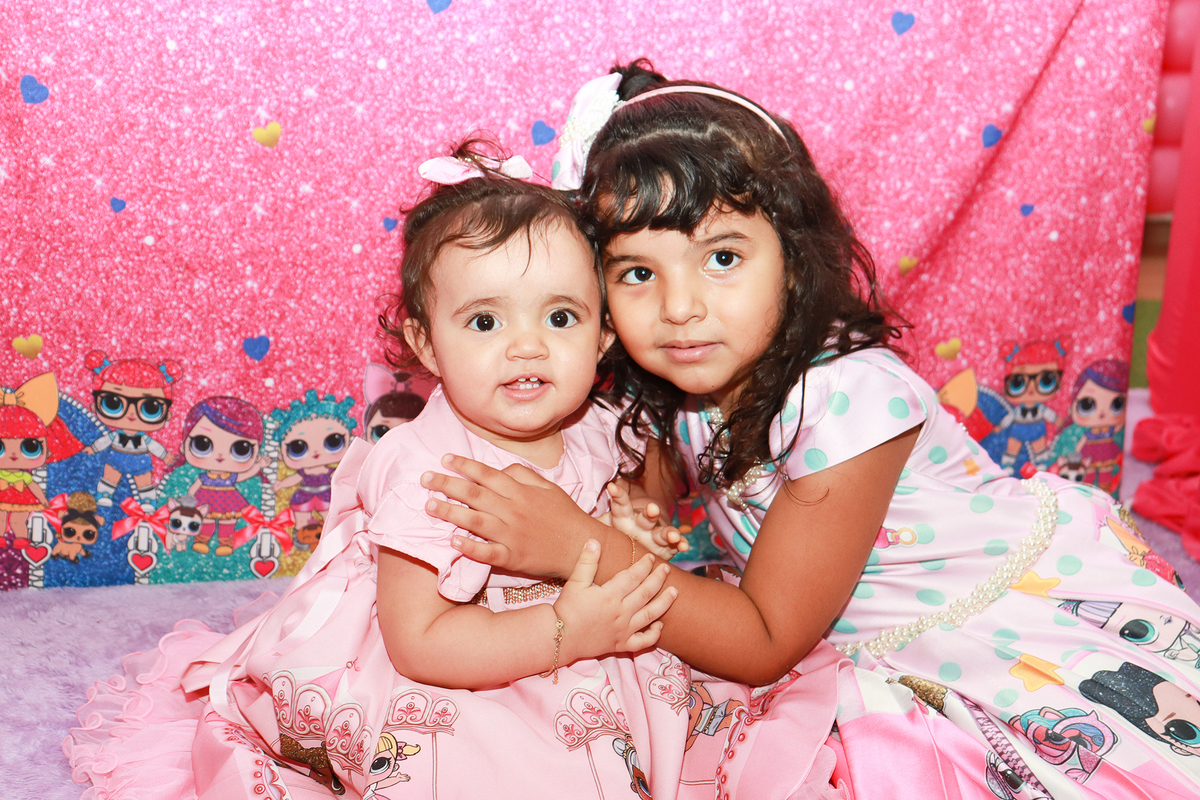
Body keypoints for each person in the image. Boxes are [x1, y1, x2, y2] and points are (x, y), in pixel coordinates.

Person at [421, 62, 1200, 798]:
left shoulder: (851, 401)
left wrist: (575, 544)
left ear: (793, 259)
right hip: (806, 620)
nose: (680, 307)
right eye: (637, 273)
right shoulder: (674, 381)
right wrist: (629, 510)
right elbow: (645, 491)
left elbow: (764, 641)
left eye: (722, 258)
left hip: (980, 625)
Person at [69, 141, 813, 800]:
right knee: (486, 761)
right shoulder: (432, 471)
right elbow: (419, 641)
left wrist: (628, 525)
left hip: (578, 634)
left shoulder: (593, 423)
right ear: (425, 344)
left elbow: (612, 500)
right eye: (486, 321)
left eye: (560, 318)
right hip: (458, 655)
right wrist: (563, 630)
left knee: (682, 716)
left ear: (603, 335)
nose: (527, 347)